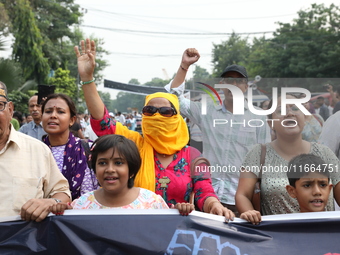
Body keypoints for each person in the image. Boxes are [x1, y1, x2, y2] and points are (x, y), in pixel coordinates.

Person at [73, 38, 234, 220]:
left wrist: (214, 205)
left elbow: (204, 190)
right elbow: (102, 122)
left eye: (165, 111)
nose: (156, 115)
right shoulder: (132, 144)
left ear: (177, 117)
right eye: (149, 110)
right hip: (135, 228)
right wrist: (87, 79)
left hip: (178, 234)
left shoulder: (193, 155)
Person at [165, 48, 271, 214]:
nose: (234, 85)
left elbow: (264, 159)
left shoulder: (258, 118)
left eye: (239, 81)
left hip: (241, 200)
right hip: (208, 197)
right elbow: (175, 100)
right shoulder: (206, 111)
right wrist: (184, 66)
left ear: (246, 86)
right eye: (229, 80)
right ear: (221, 85)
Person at [235, 94, 340, 225]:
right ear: (271, 123)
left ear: (305, 118)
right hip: (278, 239)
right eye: (281, 110)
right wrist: (249, 213)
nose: (289, 113)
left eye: (295, 108)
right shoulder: (258, 153)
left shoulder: (325, 153)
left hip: (322, 237)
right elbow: (242, 195)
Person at [51, 134, 194, 216]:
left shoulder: (152, 203)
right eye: (102, 163)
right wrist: (62, 214)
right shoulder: (81, 206)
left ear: (132, 169)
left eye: (118, 163)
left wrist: (179, 213)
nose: (110, 169)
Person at [0, 81, 71, 221]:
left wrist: (51, 202)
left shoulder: (38, 151)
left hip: (21, 241)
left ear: (10, 109)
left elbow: (62, 192)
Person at [41, 93, 98, 200]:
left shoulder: (89, 149)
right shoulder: (35, 151)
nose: (53, 115)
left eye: (60, 112)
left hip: (85, 214)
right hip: (45, 215)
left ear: (72, 120)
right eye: (48, 111)